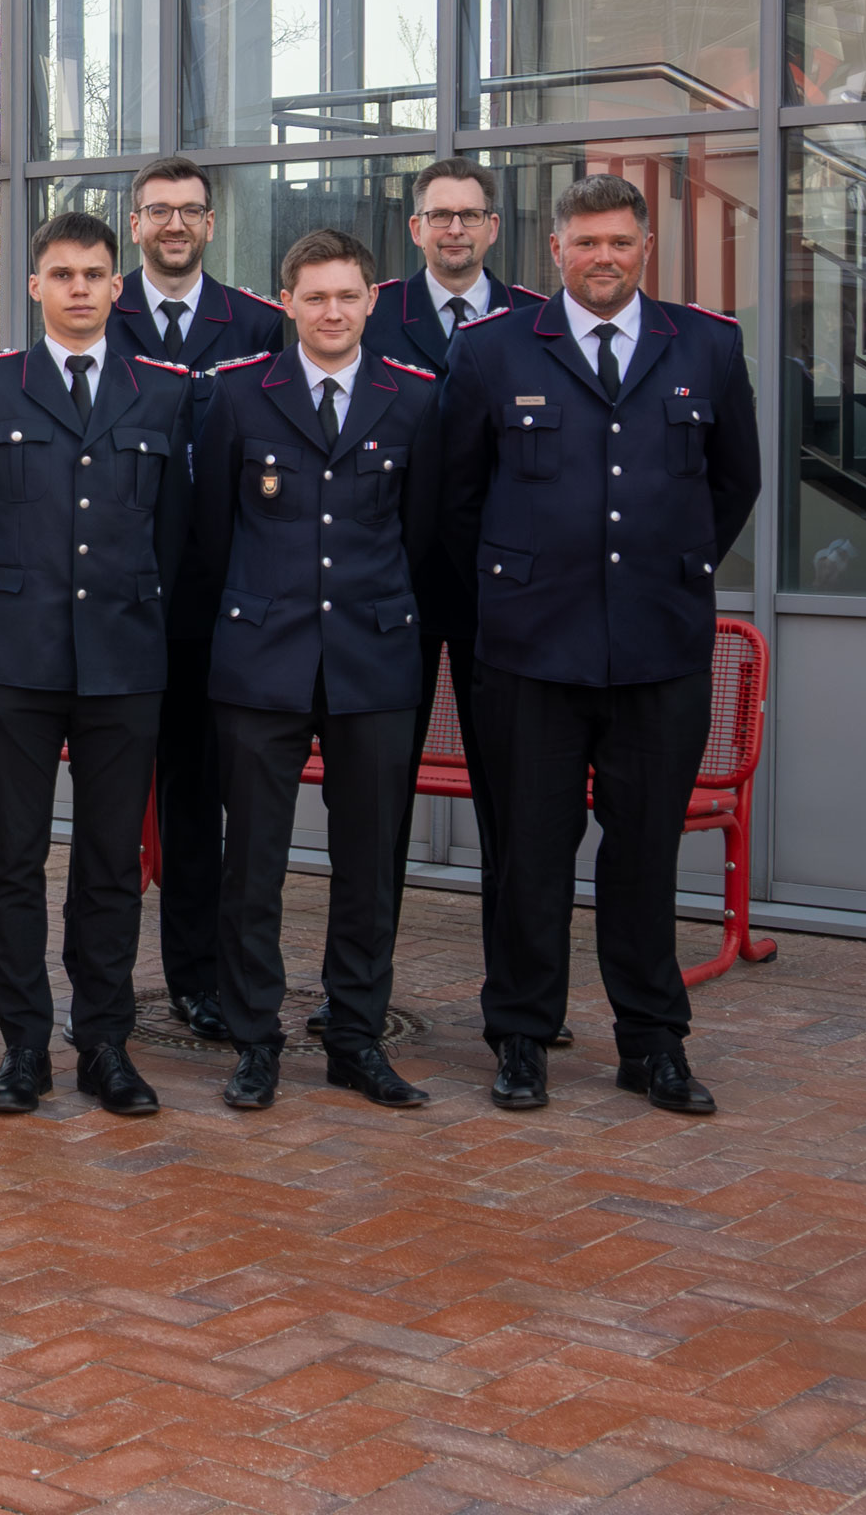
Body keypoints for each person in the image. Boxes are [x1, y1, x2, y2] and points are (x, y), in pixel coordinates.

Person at [440, 171, 760, 1114]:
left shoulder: (706, 344)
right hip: (532, 654)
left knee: (645, 851)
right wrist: (514, 595)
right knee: (531, 852)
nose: (604, 258)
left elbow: (732, 484)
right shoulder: (494, 351)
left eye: (621, 241)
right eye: (587, 243)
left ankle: (652, 1043)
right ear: (556, 251)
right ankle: (523, 1036)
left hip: (660, 652)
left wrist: (666, 569)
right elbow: (457, 501)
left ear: (645, 247)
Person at [0, 209, 191, 1118]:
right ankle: (22, 1049)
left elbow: (172, 538)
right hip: (14, 659)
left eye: (95, 274)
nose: (80, 288)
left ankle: (105, 1047)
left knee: (109, 865)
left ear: (117, 288)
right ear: (36, 286)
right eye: (62, 273)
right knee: (11, 859)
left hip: (124, 661)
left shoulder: (163, 392)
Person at [183, 228, 439, 1111]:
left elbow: (427, 537)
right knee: (252, 862)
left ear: (374, 300)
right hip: (262, 662)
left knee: (370, 864)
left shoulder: (414, 402)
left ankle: (356, 1037)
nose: (333, 312)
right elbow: (210, 538)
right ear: (285, 303)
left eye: (349, 296)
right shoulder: (238, 397)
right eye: (315, 296)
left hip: (373, 662)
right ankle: (255, 1038)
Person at [105, 157, 291, 1045]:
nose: (173, 225)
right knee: (138, 799)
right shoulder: (101, 317)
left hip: (231, 598)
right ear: (134, 223)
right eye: (157, 211)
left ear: (211, 224)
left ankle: (212, 974)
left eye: (189, 211)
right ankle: (140, 983)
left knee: (216, 796)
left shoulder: (259, 323)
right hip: (126, 590)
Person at [359, 155, 540, 1030]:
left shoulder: (540, 323)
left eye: (471, 215)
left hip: (502, 603)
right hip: (389, 595)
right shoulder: (368, 313)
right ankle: (363, 994)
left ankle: (518, 997)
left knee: (514, 804)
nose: (456, 229)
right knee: (379, 801)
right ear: (416, 227)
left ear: (494, 228)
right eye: (440, 215)